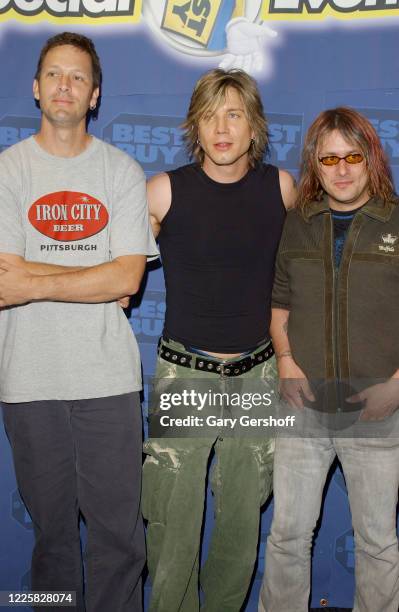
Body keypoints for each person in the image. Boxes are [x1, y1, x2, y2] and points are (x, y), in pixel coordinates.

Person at [0, 32, 157, 612]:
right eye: (54, 74)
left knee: (120, 539)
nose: (65, 85)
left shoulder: (120, 170)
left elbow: (127, 280)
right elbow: (3, 278)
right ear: (35, 87)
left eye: (78, 77)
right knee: (52, 542)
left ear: (94, 95)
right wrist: (97, 272)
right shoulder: (7, 171)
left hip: (108, 384)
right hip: (28, 381)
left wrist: (36, 279)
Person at [143, 68, 296, 612]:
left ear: (254, 126)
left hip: (259, 374)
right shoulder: (162, 191)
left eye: (234, 114)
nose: (222, 127)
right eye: (210, 115)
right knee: (171, 526)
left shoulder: (281, 188)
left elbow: (305, 280)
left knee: (239, 528)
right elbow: (113, 270)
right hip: (185, 373)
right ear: (194, 126)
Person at [259, 107, 399, 612]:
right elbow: (280, 303)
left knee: (378, 543)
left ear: (371, 160)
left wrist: (398, 384)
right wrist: (286, 360)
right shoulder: (298, 223)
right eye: (329, 158)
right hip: (304, 407)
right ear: (315, 166)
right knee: (287, 537)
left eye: (353, 156)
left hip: (379, 411)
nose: (342, 169)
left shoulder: (396, 220)